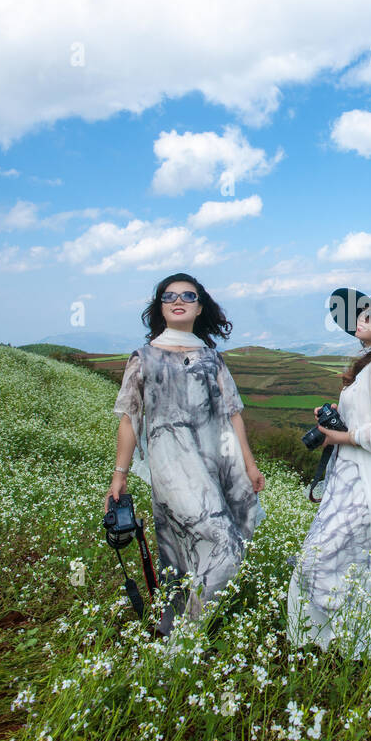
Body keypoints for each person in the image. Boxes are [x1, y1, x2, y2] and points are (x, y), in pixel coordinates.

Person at [107, 272, 265, 639]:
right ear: (159, 308)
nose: (178, 300)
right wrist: (120, 475)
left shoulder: (213, 358)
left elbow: (233, 413)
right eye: (169, 296)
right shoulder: (143, 358)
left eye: (187, 295)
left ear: (199, 306)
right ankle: (191, 633)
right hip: (171, 467)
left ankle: (178, 630)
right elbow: (130, 420)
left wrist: (250, 464)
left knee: (183, 554)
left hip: (218, 466)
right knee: (224, 545)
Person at [287, 288, 371, 658]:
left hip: (369, 484)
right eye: (362, 311)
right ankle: (356, 645)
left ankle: (345, 644)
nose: (364, 317)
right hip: (358, 478)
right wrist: (341, 418)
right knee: (357, 564)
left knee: (329, 560)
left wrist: (339, 434)